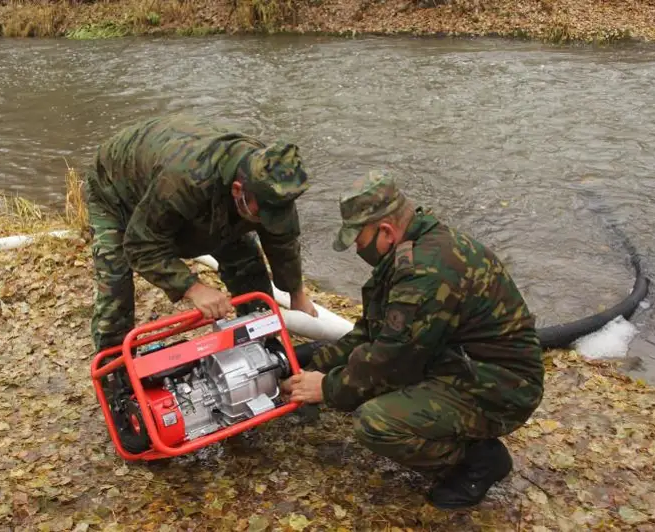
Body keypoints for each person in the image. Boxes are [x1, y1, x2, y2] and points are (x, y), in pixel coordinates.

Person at [281, 170, 545, 509]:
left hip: (500, 388)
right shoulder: (412, 251)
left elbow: (392, 360)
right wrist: (312, 367)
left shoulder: (426, 271)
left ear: (386, 231)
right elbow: (370, 334)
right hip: (461, 363)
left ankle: (478, 460)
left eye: (359, 242)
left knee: (374, 422)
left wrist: (327, 388)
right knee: (361, 379)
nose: (359, 251)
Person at [85, 114, 318, 353]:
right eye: (264, 214)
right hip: (115, 189)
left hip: (191, 185)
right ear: (238, 191)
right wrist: (193, 288)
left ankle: (262, 342)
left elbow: (283, 241)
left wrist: (295, 292)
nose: (271, 219)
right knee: (115, 285)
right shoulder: (183, 180)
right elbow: (140, 245)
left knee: (246, 259)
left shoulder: (272, 183)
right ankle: (115, 376)